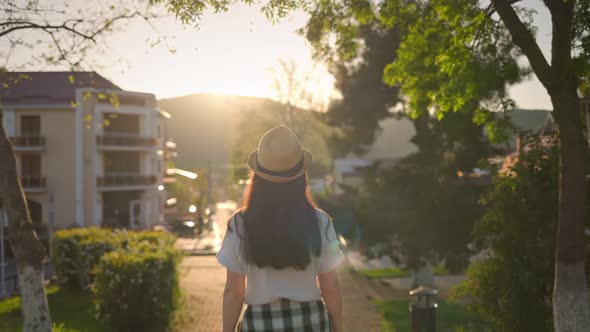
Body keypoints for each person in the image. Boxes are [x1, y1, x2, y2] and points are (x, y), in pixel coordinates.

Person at [217, 125, 345, 332]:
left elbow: (234, 292)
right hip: (310, 321)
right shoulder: (320, 222)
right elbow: (330, 286)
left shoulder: (239, 224)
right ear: (300, 176)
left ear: (257, 177)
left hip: (260, 324)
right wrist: (337, 328)